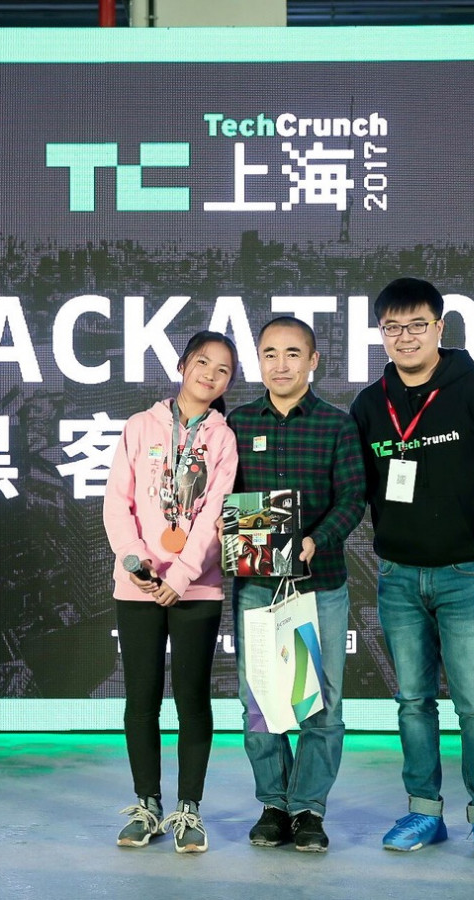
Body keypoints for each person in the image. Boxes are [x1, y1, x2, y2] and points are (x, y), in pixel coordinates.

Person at [349, 278, 474, 858]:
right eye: (393, 328)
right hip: (398, 575)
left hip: (465, 573)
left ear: (439, 327)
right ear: (381, 333)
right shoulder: (369, 404)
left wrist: (468, 515)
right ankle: (424, 812)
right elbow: (361, 483)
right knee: (413, 703)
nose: (405, 337)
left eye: (417, 325)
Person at [227, 316, 366, 853]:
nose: (280, 364)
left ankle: (309, 808)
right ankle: (273, 803)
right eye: (269, 354)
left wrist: (314, 540)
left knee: (319, 703)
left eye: (292, 353)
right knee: (260, 700)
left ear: (313, 361)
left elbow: (352, 499)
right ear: (258, 361)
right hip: (258, 587)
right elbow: (222, 497)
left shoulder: (336, 425)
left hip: (318, 585)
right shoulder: (238, 423)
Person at [103, 331, 240, 853]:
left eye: (223, 370)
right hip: (137, 583)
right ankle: (147, 804)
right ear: (183, 365)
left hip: (196, 587)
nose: (210, 374)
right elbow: (117, 502)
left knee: (192, 699)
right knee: (140, 698)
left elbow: (214, 514)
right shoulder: (140, 426)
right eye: (202, 362)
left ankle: (189, 809)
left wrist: (180, 576)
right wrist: (135, 561)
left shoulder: (223, 439)